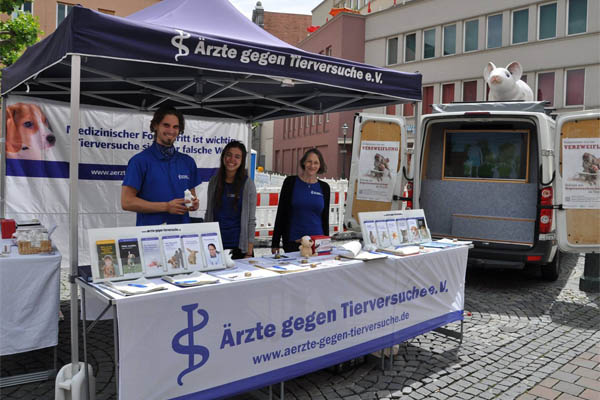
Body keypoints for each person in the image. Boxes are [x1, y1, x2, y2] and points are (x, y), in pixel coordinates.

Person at [121, 106, 200, 225]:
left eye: (175, 127)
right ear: (155, 126)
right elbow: (127, 202)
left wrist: (193, 204)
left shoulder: (187, 162)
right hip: (151, 236)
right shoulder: (140, 161)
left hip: (182, 234)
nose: (171, 131)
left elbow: (192, 196)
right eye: (166, 125)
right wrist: (166, 207)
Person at [204, 141, 257, 259]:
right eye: (229, 154)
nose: (232, 159)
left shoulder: (248, 184)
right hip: (215, 245)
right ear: (223, 156)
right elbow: (209, 213)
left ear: (242, 161)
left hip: (239, 247)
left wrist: (249, 251)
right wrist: (205, 240)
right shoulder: (214, 182)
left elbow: (251, 220)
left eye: (237, 157)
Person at [271, 148, 330, 254]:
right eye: (309, 161)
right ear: (303, 162)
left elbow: (325, 218)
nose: (312, 166)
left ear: (320, 165)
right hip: (294, 241)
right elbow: (281, 213)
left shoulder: (325, 188)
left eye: (316, 163)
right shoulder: (290, 182)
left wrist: (326, 242)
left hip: (317, 243)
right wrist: (275, 243)